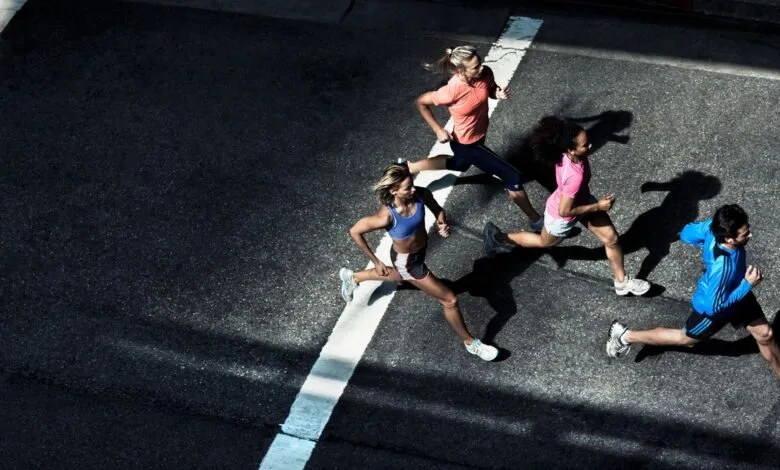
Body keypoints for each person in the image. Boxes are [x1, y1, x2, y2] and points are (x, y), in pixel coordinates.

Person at [338, 162, 499, 361]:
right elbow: (355, 231)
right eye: (407, 188)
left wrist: (442, 222)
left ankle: (353, 276)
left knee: (400, 278)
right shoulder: (385, 216)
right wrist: (375, 261)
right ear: (394, 190)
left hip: (419, 253)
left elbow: (438, 210)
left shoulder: (420, 194)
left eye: (412, 184)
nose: (413, 189)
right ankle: (471, 343)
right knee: (450, 299)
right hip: (408, 262)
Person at [606, 204, 780, 379]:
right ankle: (625, 336)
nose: (750, 234)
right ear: (729, 239)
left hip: (735, 288)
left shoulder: (713, 228)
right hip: (713, 306)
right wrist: (746, 285)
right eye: (745, 234)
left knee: (766, 334)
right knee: (685, 339)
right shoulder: (723, 267)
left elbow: (686, 234)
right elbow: (715, 308)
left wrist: (707, 246)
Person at [483, 116, 650, 296]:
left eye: (589, 142)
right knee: (542, 242)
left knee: (612, 239)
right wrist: (598, 207)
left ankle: (621, 282)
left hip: (581, 201)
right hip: (561, 216)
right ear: (571, 149)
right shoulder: (574, 177)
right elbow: (564, 211)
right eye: (585, 145)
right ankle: (497, 237)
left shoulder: (567, 154)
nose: (590, 146)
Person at [405, 45, 543, 231]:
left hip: (479, 134)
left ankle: (411, 167)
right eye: (475, 67)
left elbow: (490, 89)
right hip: (465, 143)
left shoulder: (485, 73)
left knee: (459, 165)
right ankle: (535, 220)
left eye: (480, 63)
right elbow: (420, 102)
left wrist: (497, 94)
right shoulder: (451, 91)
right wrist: (438, 129)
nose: (481, 68)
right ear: (461, 70)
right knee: (511, 175)